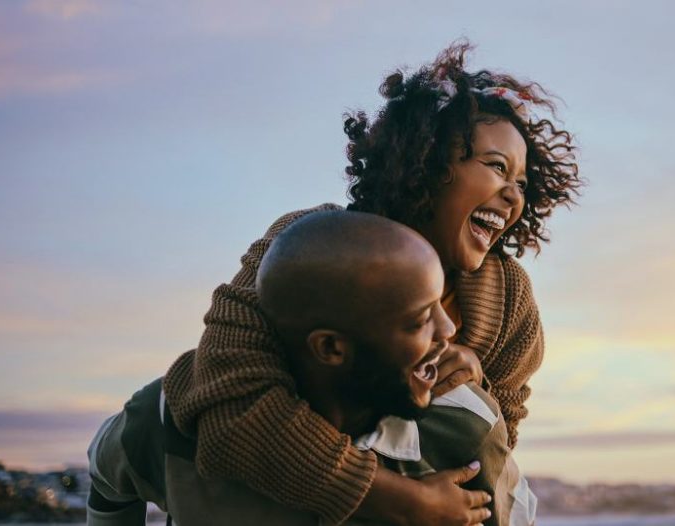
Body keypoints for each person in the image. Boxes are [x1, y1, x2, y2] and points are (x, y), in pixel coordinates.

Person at [161, 41, 581, 525]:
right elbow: (231, 403)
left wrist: (475, 383)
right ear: (427, 163)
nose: (513, 195)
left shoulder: (509, 301)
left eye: (523, 183)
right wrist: (396, 499)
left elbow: (495, 446)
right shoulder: (308, 245)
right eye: (495, 166)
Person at [87, 211, 536, 525]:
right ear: (331, 348)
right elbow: (107, 478)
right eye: (420, 319)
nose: (447, 330)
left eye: (441, 304)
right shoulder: (172, 417)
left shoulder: (467, 427)